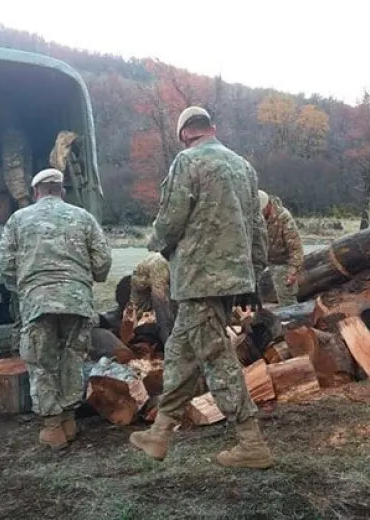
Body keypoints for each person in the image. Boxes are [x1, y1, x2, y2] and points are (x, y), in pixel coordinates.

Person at [130, 106, 274, 469]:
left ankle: (250, 440)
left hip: (198, 278)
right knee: (180, 350)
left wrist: (157, 242)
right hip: (232, 277)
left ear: (184, 134)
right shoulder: (243, 167)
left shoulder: (187, 162)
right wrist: (253, 272)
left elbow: (172, 218)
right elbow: (257, 226)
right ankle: (160, 432)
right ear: (212, 128)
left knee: (215, 355)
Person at [0, 168, 111, 449]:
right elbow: (102, 262)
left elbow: (4, 264)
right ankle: (70, 419)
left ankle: (52, 426)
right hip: (77, 299)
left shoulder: (18, 219)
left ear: (36, 191)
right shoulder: (83, 217)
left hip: (38, 301)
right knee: (72, 357)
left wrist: (23, 285)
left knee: (41, 362)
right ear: (61, 190)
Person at [258, 190, 304, 306]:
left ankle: (291, 321)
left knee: (287, 299)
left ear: (268, 206)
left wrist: (293, 271)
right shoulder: (256, 218)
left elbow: (296, 247)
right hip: (262, 260)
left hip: (282, 263)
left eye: (261, 211)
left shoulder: (283, 217)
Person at [129, 252, 175, 342]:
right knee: (137, 320)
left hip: (164, 282)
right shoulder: (160, 264)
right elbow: (160, 300)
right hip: (143, 285)